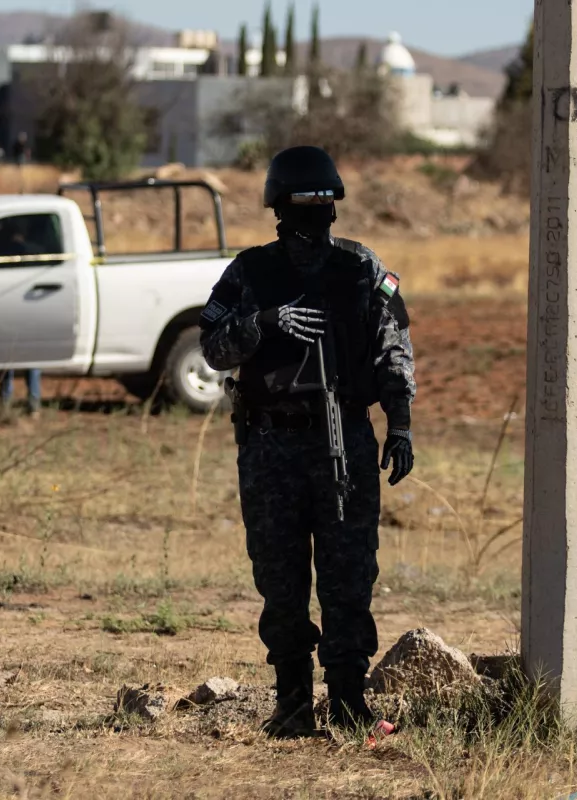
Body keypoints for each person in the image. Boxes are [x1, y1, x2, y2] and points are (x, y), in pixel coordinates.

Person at [199, 146, 416, 738]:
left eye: (324, 203)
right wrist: (263, 323)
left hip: (344, 440)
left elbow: (393, 345)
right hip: (271, 447)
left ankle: (348, 700)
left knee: (350, 575)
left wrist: (399, 423)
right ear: (280, 208)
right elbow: (212, 346)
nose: (316, 215)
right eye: (306, 203)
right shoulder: (250, 271)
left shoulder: (360, 267)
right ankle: (292, 703)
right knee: (281, 578)